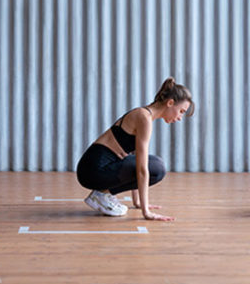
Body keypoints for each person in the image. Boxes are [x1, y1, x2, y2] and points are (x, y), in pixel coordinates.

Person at [75, 77, 195, 221]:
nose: (180, 117)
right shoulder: (144, 118)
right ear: (170, 103)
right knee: (157, 167)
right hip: (92, 170)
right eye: (181, 111)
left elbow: (133, 160)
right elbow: (142, 169)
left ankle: (103, 194)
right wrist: (146, 212)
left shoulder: (144, 116)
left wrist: (137, 202)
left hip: (94, 168)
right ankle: (101, 195)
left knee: (154, 163)